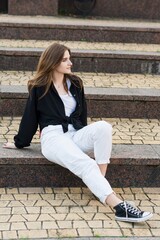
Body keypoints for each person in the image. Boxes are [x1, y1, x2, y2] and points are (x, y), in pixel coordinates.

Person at [3, 42, 153, 223]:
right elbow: (29, 118)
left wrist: (86, 134)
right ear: (53, 62)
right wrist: (19, 142)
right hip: (53, 137)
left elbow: (82, 115)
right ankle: (120, 207)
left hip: (75, 133)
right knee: (87, 164)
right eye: (65, 60)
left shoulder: (75, 83)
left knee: (104, 127)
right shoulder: (39, 87)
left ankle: (98, 183)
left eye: (69, 58)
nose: (70, 63)